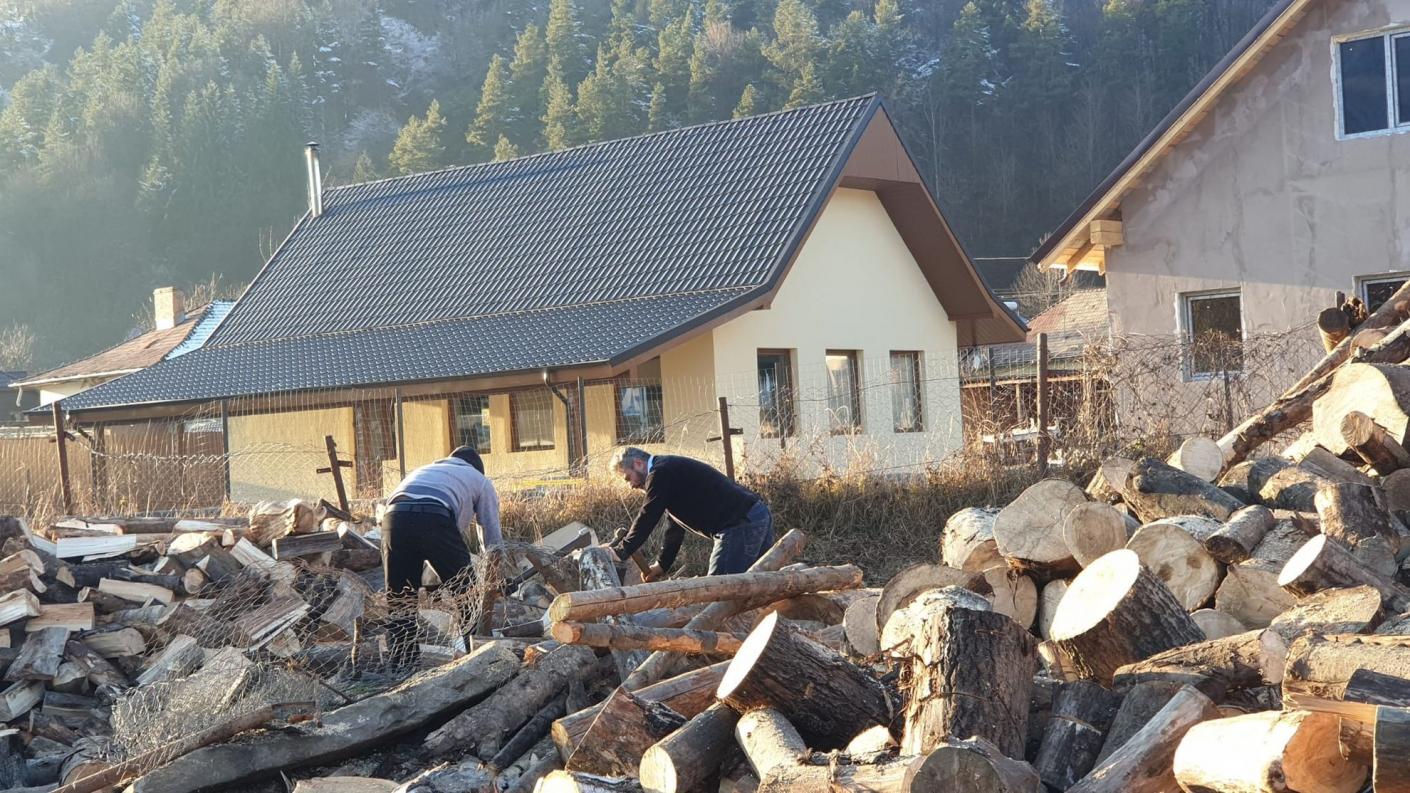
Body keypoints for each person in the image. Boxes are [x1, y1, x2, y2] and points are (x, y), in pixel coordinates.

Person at [381, 445, 501, 663]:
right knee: (467, 594)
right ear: (477, 468)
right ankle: (480, 658)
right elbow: (491, 534)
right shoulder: (479, 480)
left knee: (400, 598)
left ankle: (402, 665)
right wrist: (495, 574)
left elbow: (417, 532)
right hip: (435, 516)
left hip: (394, 519)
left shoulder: (425, 470)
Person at [606, 447, 774, 579]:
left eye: (628, 478)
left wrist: (622, 551)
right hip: (755, 514)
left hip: (740, 523)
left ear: (638, 463)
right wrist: (663, 564)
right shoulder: (667, 471)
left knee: (719, 590)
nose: (631, 485)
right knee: (757, 584)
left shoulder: (660, 473)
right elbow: (675, 525)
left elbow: (648, 515)